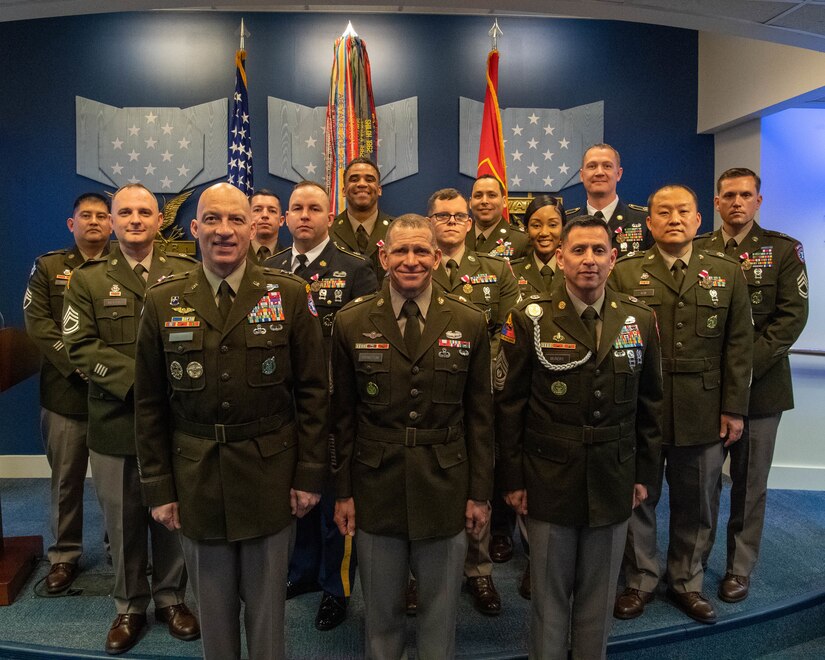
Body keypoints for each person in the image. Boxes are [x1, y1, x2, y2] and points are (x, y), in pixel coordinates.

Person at [134, 182, 328, 660]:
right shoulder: (163, 300)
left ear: (253, 226)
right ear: (194, 228)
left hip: (270, 474)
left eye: (236, 220)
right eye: (214, 220)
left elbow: (312, 394)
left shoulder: (288, 294)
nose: (225, 231)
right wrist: (159, 487)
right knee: (215, 620)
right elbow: (151, 403)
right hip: (196, 476)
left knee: (267, 619)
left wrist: (308, 476)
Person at [496, 215, 663, 659]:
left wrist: (645, 474)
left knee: (598, 594)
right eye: (578, 250)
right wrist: (512, 480)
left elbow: (651, 406)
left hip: (614, 474)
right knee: (549, 596)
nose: (589, 260)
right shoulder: (529, 317)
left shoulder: (640, 319)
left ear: (613, 258)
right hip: (548, 475)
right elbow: (509, 406)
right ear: (560, 257)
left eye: (598, 251)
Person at [332, 214, 493, 659]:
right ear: (383, 256)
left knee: (440, 616)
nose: (411, 260)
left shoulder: (469, 320)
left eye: (421, 250)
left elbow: (481, 418)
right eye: (400, 250)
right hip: (375, 483)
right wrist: (342, 492)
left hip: (445, 483)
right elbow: (341, 417)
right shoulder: (350, 321)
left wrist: (480, 493)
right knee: (381, 614)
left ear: (437, 257)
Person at [62, 184, 199, 655]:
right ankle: (129, 605)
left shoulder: (185, 272)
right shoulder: (88, 279)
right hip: (116, 420)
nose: (135, 219)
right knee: (121, 521)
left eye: (144, 211)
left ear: (159, 220)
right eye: (126, 212)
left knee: (171, 515)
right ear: (114, 221)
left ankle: (172, 598)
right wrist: (142, 383)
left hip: (175, 424)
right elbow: (81, 346)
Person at [611, 184, 753, 625]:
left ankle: (687, 581)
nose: (674, 218)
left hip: (703, 406)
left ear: (697, 220)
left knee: (698, 500)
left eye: (683, 212)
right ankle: (640, 579)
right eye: (663, 212)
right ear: (649, 223)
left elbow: (739, 346)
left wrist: (734, 407)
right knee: (639, 495)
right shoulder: (625, 273)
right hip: (640, 408)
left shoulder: (727, 272)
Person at [264, 180, 378, 630]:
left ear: (330, 216)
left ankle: (337, 588)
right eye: (297, 208)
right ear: (285, 218)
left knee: (334, 506)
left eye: (314, 208)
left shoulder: (355, 268)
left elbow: (365, 343)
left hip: (332, 409)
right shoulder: (269, 268)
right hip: (282, 406)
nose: (304, 215)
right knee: (297, 497)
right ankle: (304, 572)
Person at [695, 167, 808, 603]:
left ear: (758, 201)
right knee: (701, 485)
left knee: (749, 485)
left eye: (746, 195)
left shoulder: (782, 250)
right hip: (705, 391)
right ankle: (692, 565)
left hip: (761, 390)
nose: (737, 202)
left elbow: (789, 320)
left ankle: (739, 570)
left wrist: (740, 372)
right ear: (717, 202)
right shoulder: (699, 248)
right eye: (729, 195)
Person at [427, 187, 519, 615]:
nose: (450, 222)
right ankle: (420, 574)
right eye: (442, 216)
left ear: (470, 223)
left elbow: (505, 330)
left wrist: (483, 378)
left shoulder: (496, 271)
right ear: (430, 221)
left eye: (458, 216)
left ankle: (478, 571)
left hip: (478, 391)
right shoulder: (414, 263)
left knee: (479, 476)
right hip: (427, 394)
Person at [23, 192, 112, 594]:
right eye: (85, 215)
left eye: (101, 216)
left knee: (120, 480)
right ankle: (64, 556)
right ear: (71, 224)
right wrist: (76, 362)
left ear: (111, 224)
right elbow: (38, 322)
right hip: (66, 391)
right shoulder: (49, 266)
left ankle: (120, 548)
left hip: (115, 393)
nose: (94, 221)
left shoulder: (124, 265)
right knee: (66, 480)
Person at [569, 144, 653, 257]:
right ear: (582, 175)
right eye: (592, 166)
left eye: (607, 166)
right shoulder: (567, 222)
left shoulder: (644, 221)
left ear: (618, 174)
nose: (599, 172)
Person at [329, 157, 394, 279]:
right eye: (354, 179)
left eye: (369, 179)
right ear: (343, 191)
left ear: (379, 190)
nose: (362, 184)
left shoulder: (396, 230)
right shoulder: (328, 230)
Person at [511, 194, 567, 298]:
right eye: (536, 225)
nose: (544, 232)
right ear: (527, 230)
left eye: (553, 225)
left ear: (563, 229)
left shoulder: (574, 269)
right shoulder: (511, 272)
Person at [466, 175, 529, 260]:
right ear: (470, 203)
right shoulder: (459, 236)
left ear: (504, 201)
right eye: (478, 196)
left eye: (492, 195)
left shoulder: (522, 240)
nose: (484, 201)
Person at [248, 188, 285, 262]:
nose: (265, 215)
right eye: (257, 210)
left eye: (272, 211)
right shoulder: (236, 256)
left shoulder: (291, 259)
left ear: (281, 221)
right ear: (247, 217)